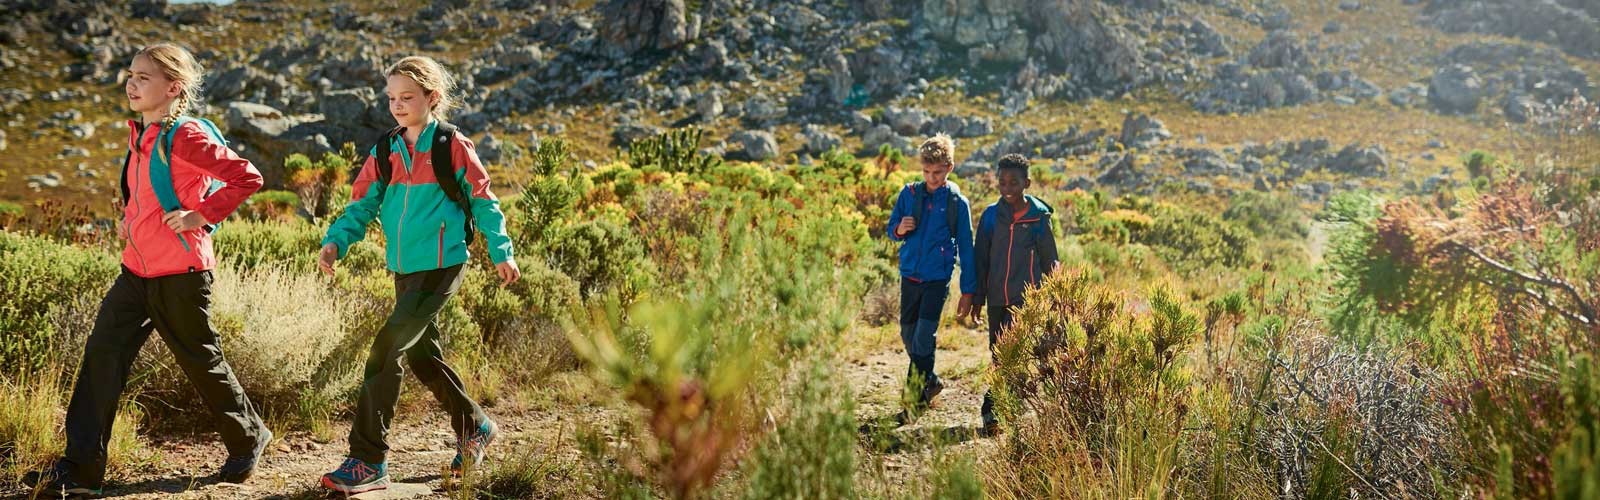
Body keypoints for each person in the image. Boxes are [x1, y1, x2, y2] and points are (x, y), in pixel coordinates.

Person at [29, 42, 271, 497]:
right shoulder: (140, 134)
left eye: (144, 77)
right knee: (102, 359)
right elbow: (146, 193)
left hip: (181, 273)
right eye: (131, 74)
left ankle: (248, 437)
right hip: (135, 272)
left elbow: (247, 177)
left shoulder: (186, 136)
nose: (132, 84)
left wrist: (200, 216)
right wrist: (130, 220)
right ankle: (79, 472)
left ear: (173, 88)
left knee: (201, 361)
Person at [316, 55, 520, 494]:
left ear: (432, 97)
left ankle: (368, 459)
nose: (397, 105)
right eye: (392, 97)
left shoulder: (451, 145)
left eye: (407, 97)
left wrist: (501, 251)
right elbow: (362, 204)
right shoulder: (386, 149)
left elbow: (484, 200)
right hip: (404, 268)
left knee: (386, 349)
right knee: (423, 356)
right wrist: (336, 241)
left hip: (442, 264)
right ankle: (475, 426)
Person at [884, 134, 977, 424]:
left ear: (949, 167)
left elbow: (967, 248)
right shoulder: (909, 194)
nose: (931, 178)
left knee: (924, 337)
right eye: (926, 171)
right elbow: (891, 229)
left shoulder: (957, 203)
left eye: (937, 172)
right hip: (910, 276)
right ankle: (932, 381)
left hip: (937, 279)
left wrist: (968, 291)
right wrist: (899, 228)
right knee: (908, 335)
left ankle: (912, 403)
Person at [970, 153, 1059, 435]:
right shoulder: (990, 216)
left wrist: (1056, 298)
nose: (1007, 188)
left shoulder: (1039, 217)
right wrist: (977, 297)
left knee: (1013, 355)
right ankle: (1004, 409)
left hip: (1026, 300)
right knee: (998, 354)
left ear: (1026, 183)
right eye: (1002, 182)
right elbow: (980, 259)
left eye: (1014, 182)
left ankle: (992, 411)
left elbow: (1051, 260)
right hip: (997, 298)